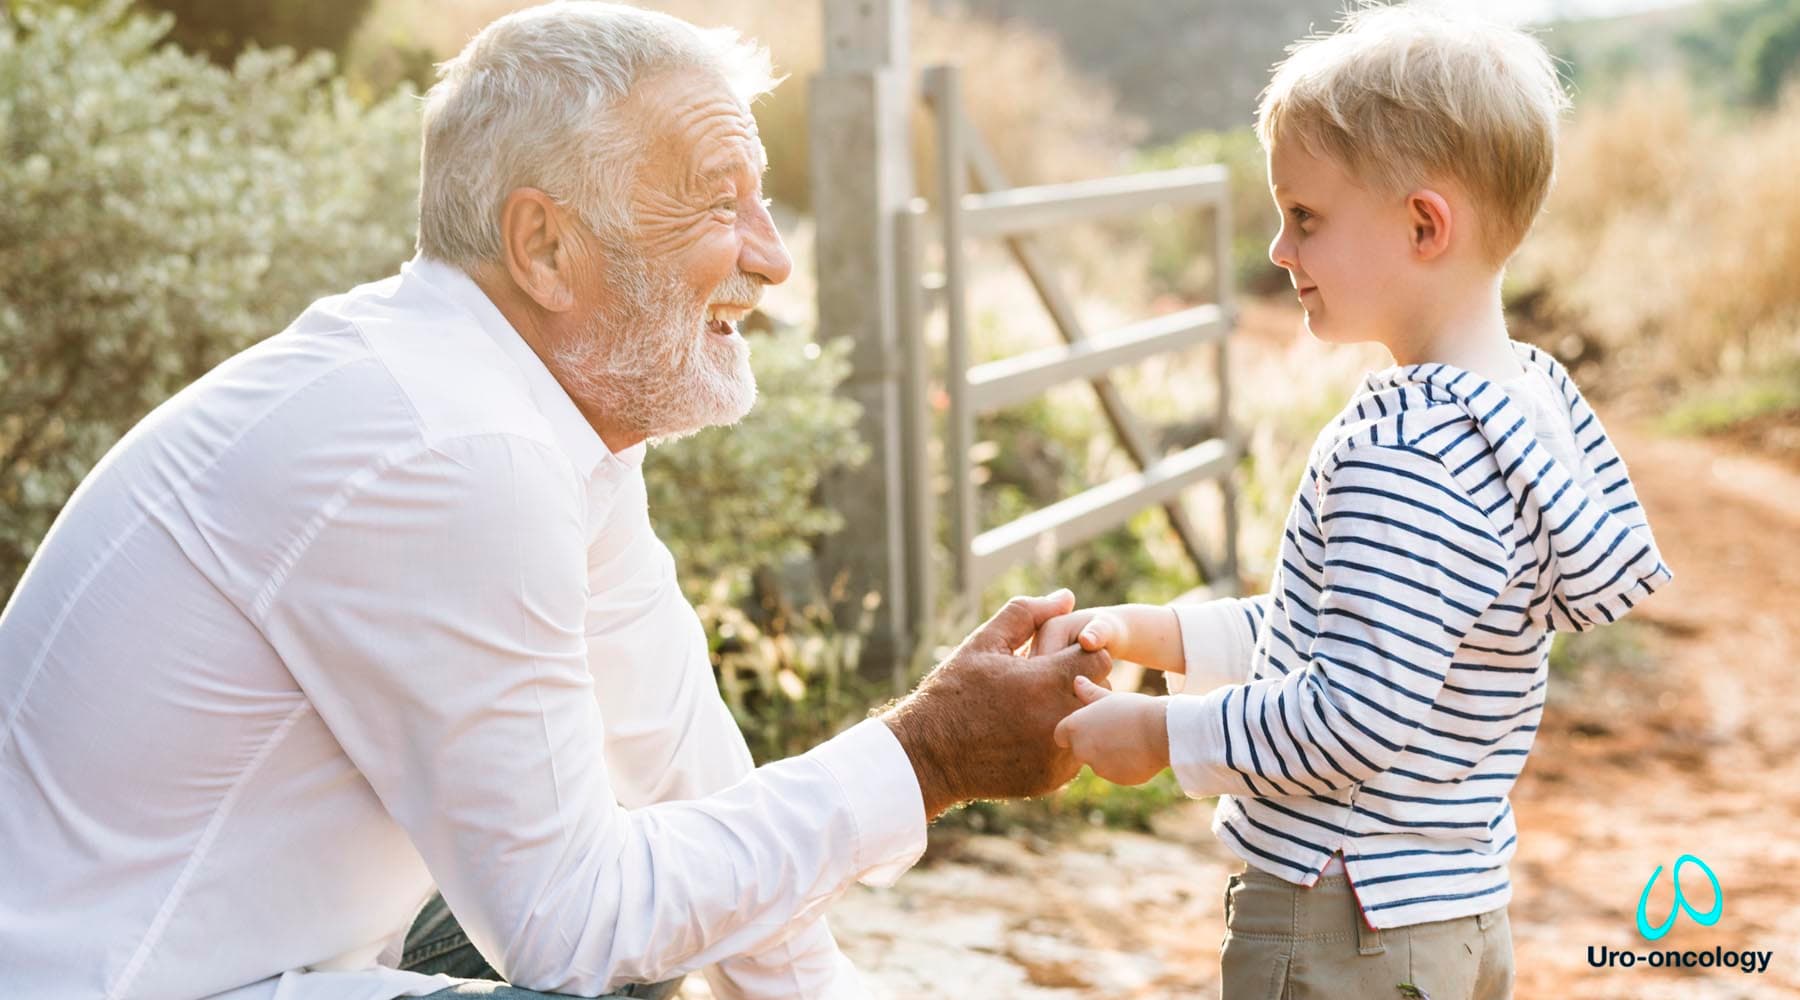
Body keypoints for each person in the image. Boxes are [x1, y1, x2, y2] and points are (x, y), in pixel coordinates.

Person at [0, 5, 1110, 998]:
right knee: (618, 956)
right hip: (117, 977)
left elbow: (678, 761)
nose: (772, 257)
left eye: (763, 201)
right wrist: (928, 756)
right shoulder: (454, 446)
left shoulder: (520, 407)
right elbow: (570, 927)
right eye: (721, 203)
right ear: (544, 246)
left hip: (226, 950)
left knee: (670, 887)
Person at [1036, 6, 1671, 998]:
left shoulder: (1406, 449)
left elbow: (1350, 711)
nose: (1280, 250)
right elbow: (1347, 633)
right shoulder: (1520, 409)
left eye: (1307, 217)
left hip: (1342, 919)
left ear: (1425, 224)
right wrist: (1158, 633)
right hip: (1451, 912)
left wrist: (1165, 735)